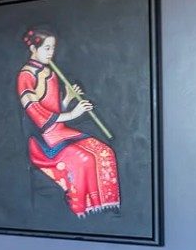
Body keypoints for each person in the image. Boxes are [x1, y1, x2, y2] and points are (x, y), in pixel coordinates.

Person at [17, 27, 119, 217]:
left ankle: (103, 207)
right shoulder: (26, 76)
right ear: (33, 48)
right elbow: (38, 115)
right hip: (43, 140)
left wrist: (68, 99)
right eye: (47, 48)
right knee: (84, 159)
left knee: (105, 152)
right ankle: (81, 207)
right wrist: (73, 114)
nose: (51, 52)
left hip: (61, 132)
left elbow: (56, 109)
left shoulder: (50, 72)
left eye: (53, 48)